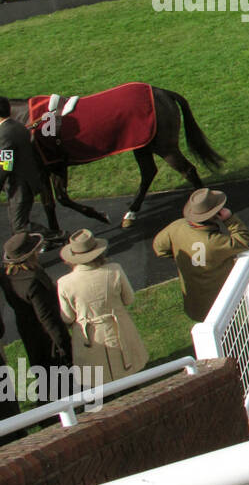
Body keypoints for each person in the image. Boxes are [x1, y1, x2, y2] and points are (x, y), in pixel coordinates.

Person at [57, 230, 149, 383]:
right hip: (118, 327)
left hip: (90, 337)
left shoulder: (65, 283)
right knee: (129, 376)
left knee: (98, 381)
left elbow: (67, 317)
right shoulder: (114, 270)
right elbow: (128, 299)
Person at [152, 188, 249, 322]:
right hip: (221, 302)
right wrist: (230, 219)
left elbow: (159, 248)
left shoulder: (176, 227)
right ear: (215, 214)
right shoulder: (215, 242)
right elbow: (244, 241)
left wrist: (181, 259)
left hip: (195, 302)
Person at [0, 233, 72, 401]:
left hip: (26, 329)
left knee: (42, 370)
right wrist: (64, 345)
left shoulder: (6, 276)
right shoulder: (33, 279)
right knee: (58, 376)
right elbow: (47, 318)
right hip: (46, 334)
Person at [0, 98, 56, 239]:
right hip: (24, 182)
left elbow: (6, 165)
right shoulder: (17, 126)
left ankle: (56, 236)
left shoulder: (4, 134)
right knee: (17, 225)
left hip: (19, 186)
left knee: (20, 226)